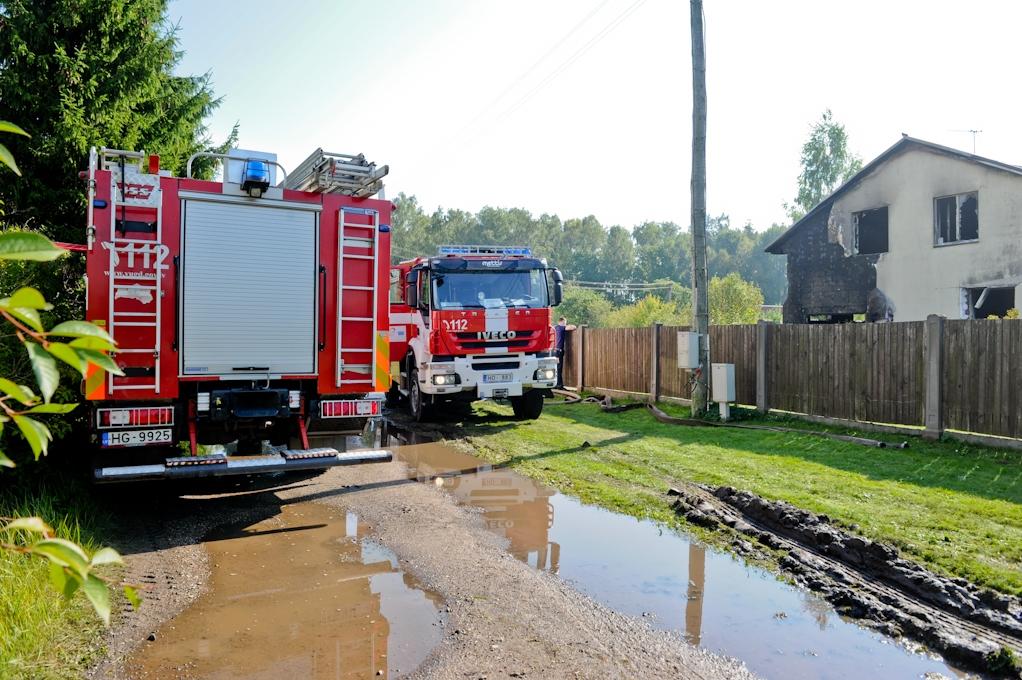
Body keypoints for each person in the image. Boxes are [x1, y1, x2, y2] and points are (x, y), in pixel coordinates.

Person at [553, 316, 577, 389]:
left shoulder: (555, 328)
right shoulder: (561, 327)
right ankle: (559, 385)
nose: (565, 324)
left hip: (555, 351)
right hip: (558, 351)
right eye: (565, 323)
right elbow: (572, 327)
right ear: (562, 322)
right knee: (559, 367)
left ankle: (556, 384)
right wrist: (572, 325)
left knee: (556, 368)